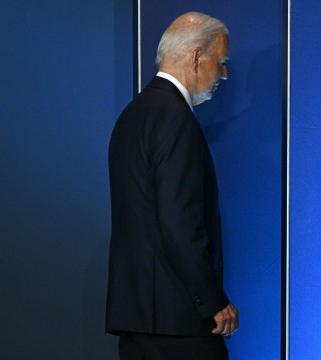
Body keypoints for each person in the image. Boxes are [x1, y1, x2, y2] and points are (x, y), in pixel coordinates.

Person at [105, 12, 238, 360]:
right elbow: (179, 222)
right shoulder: (174, 118)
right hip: (178, 322)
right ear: (196, 57)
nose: (223, 74)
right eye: (220, 62)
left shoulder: (133, 114)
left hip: (140, 319)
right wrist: (213, 300)